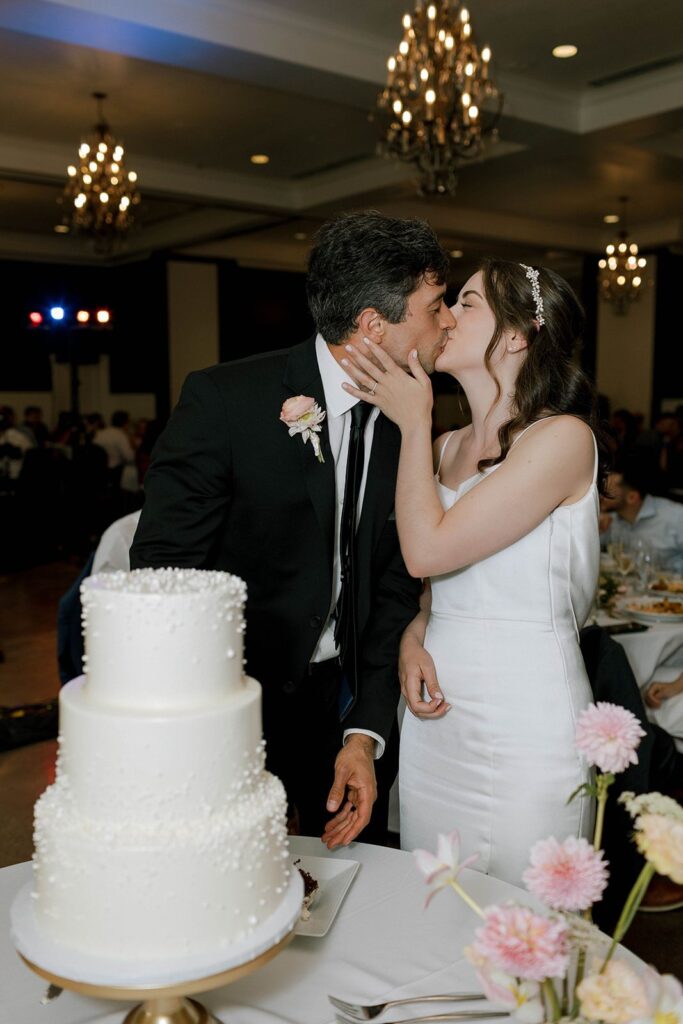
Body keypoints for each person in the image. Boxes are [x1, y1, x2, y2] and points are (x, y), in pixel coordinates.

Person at [130, 211, 454, 847]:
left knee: (350, 882)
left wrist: (363, 732)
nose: (447, 321)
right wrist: (210, 726)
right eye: (435, 305)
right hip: (233, 700)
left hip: (344, 698)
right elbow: (163, 575)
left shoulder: (410, 421)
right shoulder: (225, 402)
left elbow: (392, 588)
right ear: (372, 324)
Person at [343, 259, 605, 885]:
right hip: (439, 718)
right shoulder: (445, 447)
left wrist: (411, 420)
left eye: (465, 304)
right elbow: (433, 585)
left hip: (528, 718)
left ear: (516, 335)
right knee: (437, 909)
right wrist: (414, 634)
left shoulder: (561, 439)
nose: (445, 317)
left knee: (529, 928)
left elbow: (426, 550)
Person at [599, 455, 683, 574]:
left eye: (608, 493)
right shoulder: (610, 521)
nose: (601, 496)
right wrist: (593, 527)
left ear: (632, 497)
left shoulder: (675, 516)